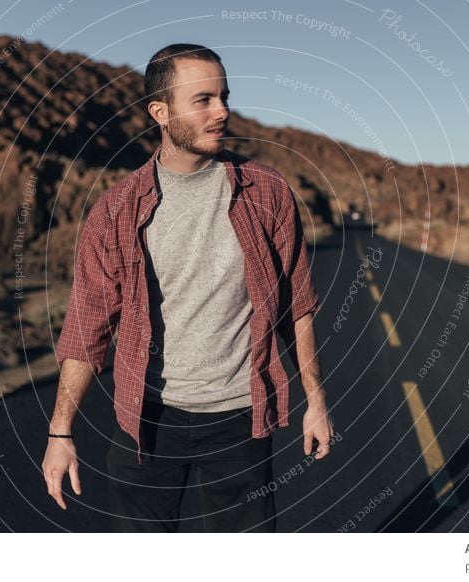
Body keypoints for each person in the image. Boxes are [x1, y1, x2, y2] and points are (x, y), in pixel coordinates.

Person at [42, 43, 334, 532]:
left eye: (223, 97)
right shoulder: (116, 211)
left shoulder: (267, 193)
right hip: (147, 420)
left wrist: (316, 402)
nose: (222, 112)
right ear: (161, 112)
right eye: (203, 100)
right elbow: (87, 325)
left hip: (241, 417)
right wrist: (60, 431)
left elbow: (296, 306)